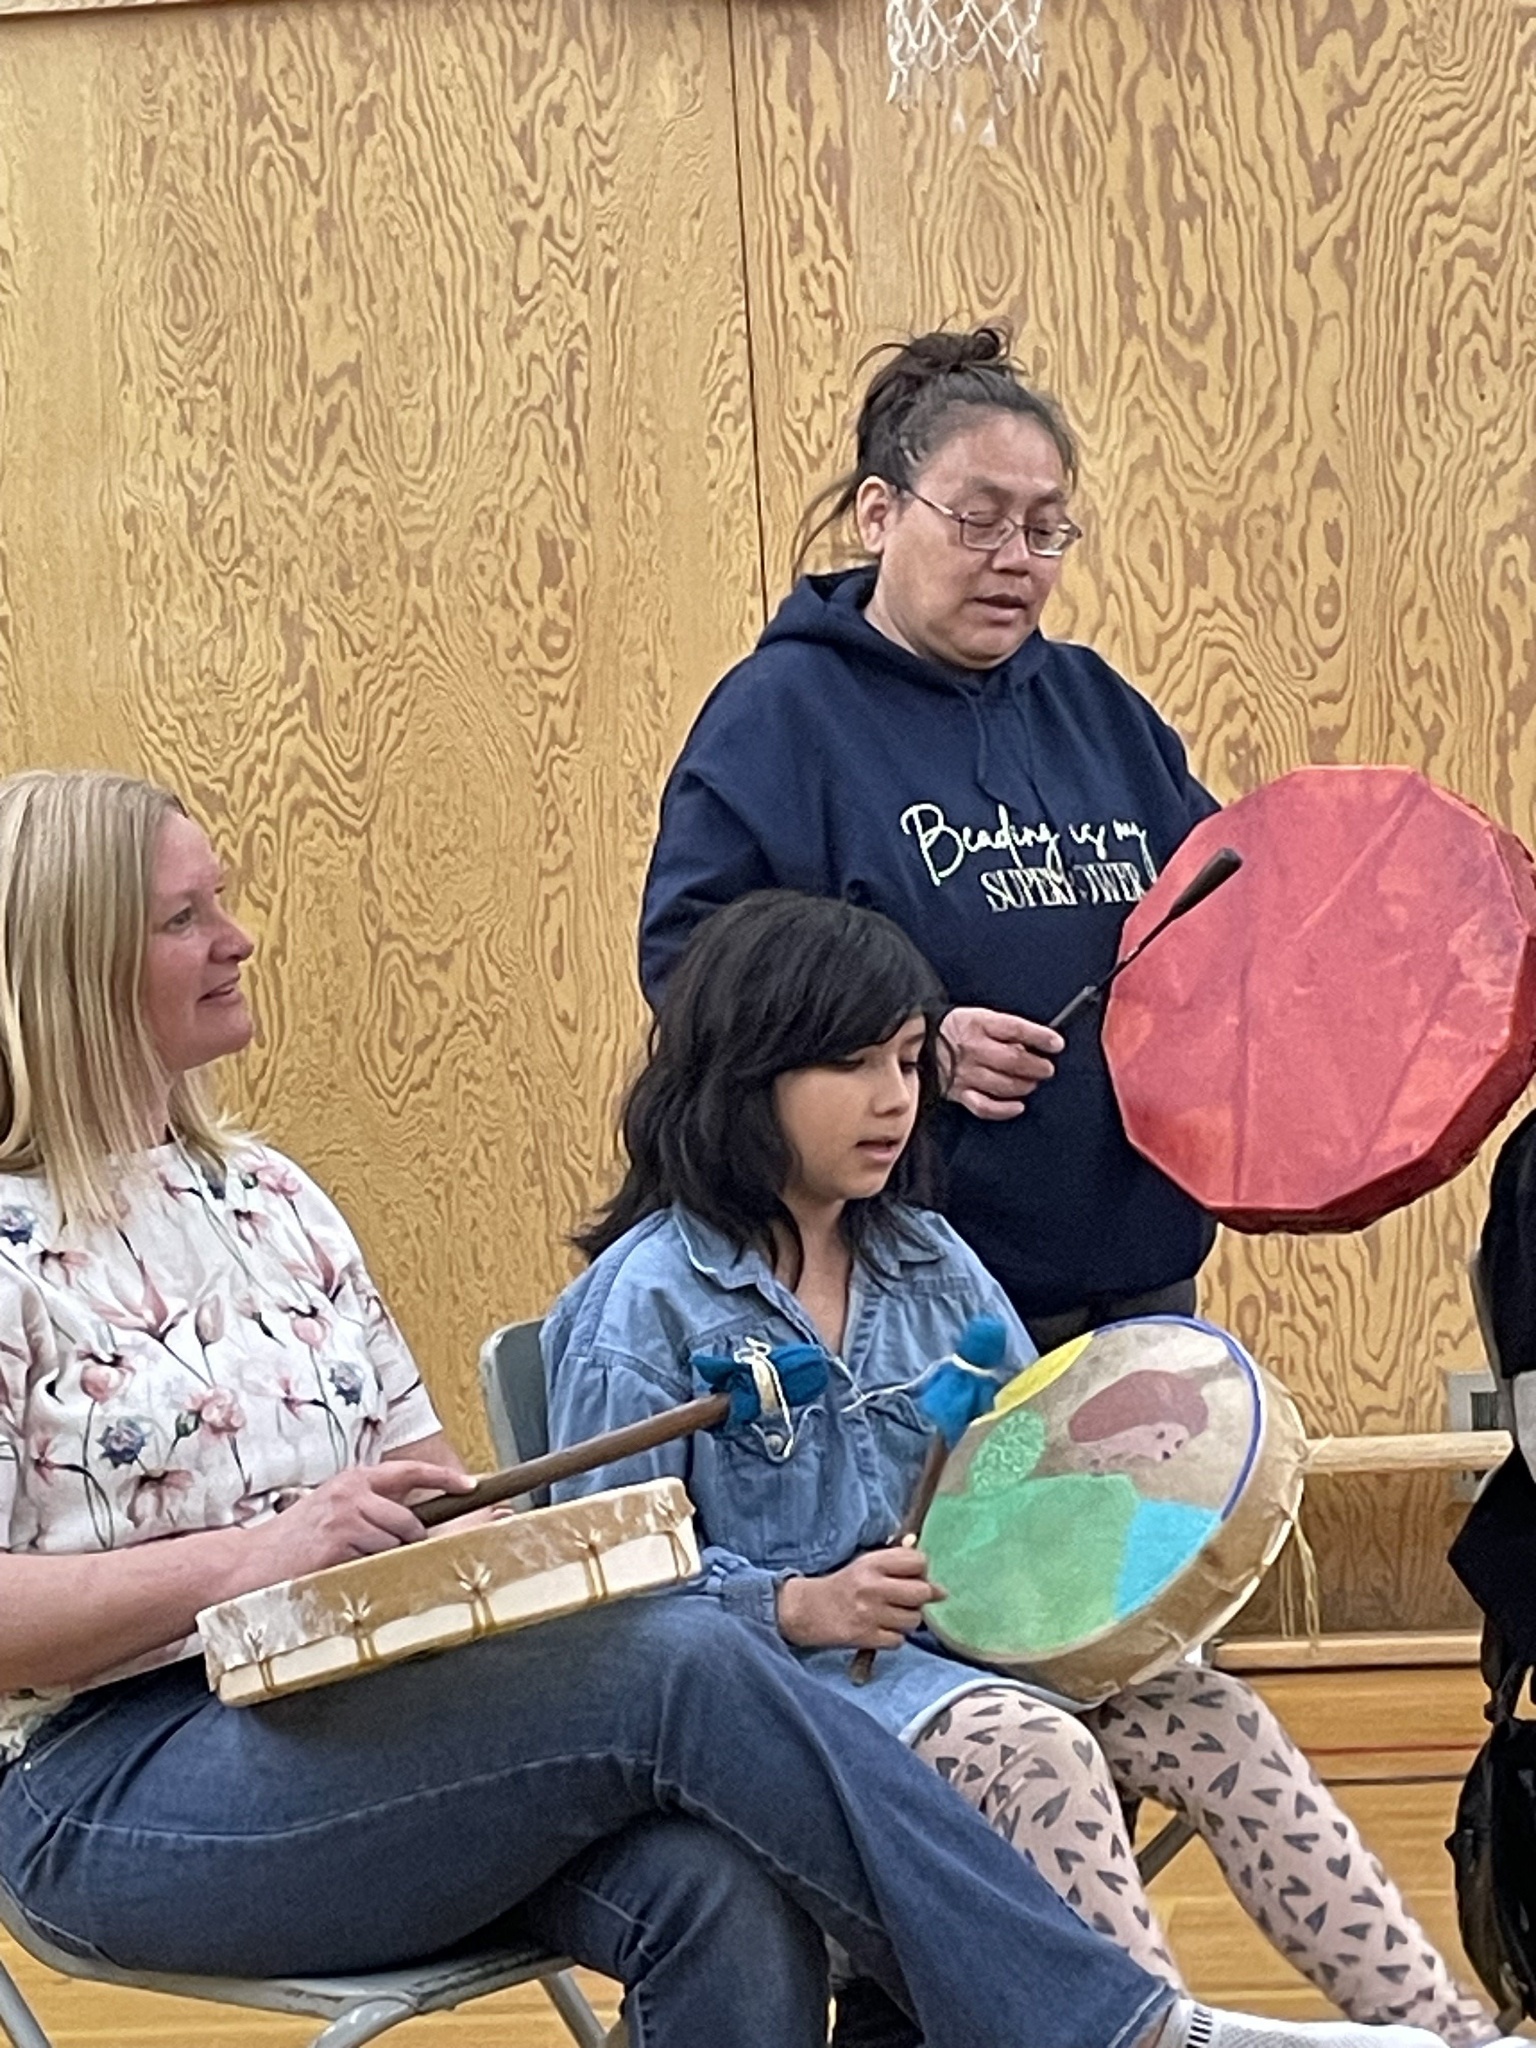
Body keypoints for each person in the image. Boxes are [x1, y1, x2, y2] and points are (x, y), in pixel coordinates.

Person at [0, 770, 1444, 2048]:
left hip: (355, 1708)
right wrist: (251, 1559)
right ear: (72, 962)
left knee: (721, 1886)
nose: (239, 936)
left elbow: (428, 1484)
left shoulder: (273, 1199)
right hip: (114, 1776)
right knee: (678, 1657)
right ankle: (1109, 2030)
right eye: (189, 918)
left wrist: (428, 1524)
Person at [546, 888, 1512, 2048]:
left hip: (969, 1663)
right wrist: (797, 1603)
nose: (895, 1098)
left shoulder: (931, 1260)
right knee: (1035, 1749)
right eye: (851, 1064)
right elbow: (607, 1609)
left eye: (909, 1059)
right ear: (745, 1072)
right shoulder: (643, 1307)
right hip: (786, 1714)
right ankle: (1144, 2033)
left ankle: (1461, 2035)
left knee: (1214, 1717)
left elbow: (1023, 1459)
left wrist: (1121, 1495)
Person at [639, 326, 1218, 1351]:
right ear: (879, 511)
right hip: (909, 1300)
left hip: (1139, 1277)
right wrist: (924, 1042)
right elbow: (693, 963)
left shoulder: (1098, 706)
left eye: (1045, 530)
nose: (1014, 561)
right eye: (979, 520)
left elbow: (1219, 904)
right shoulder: (781, 716)